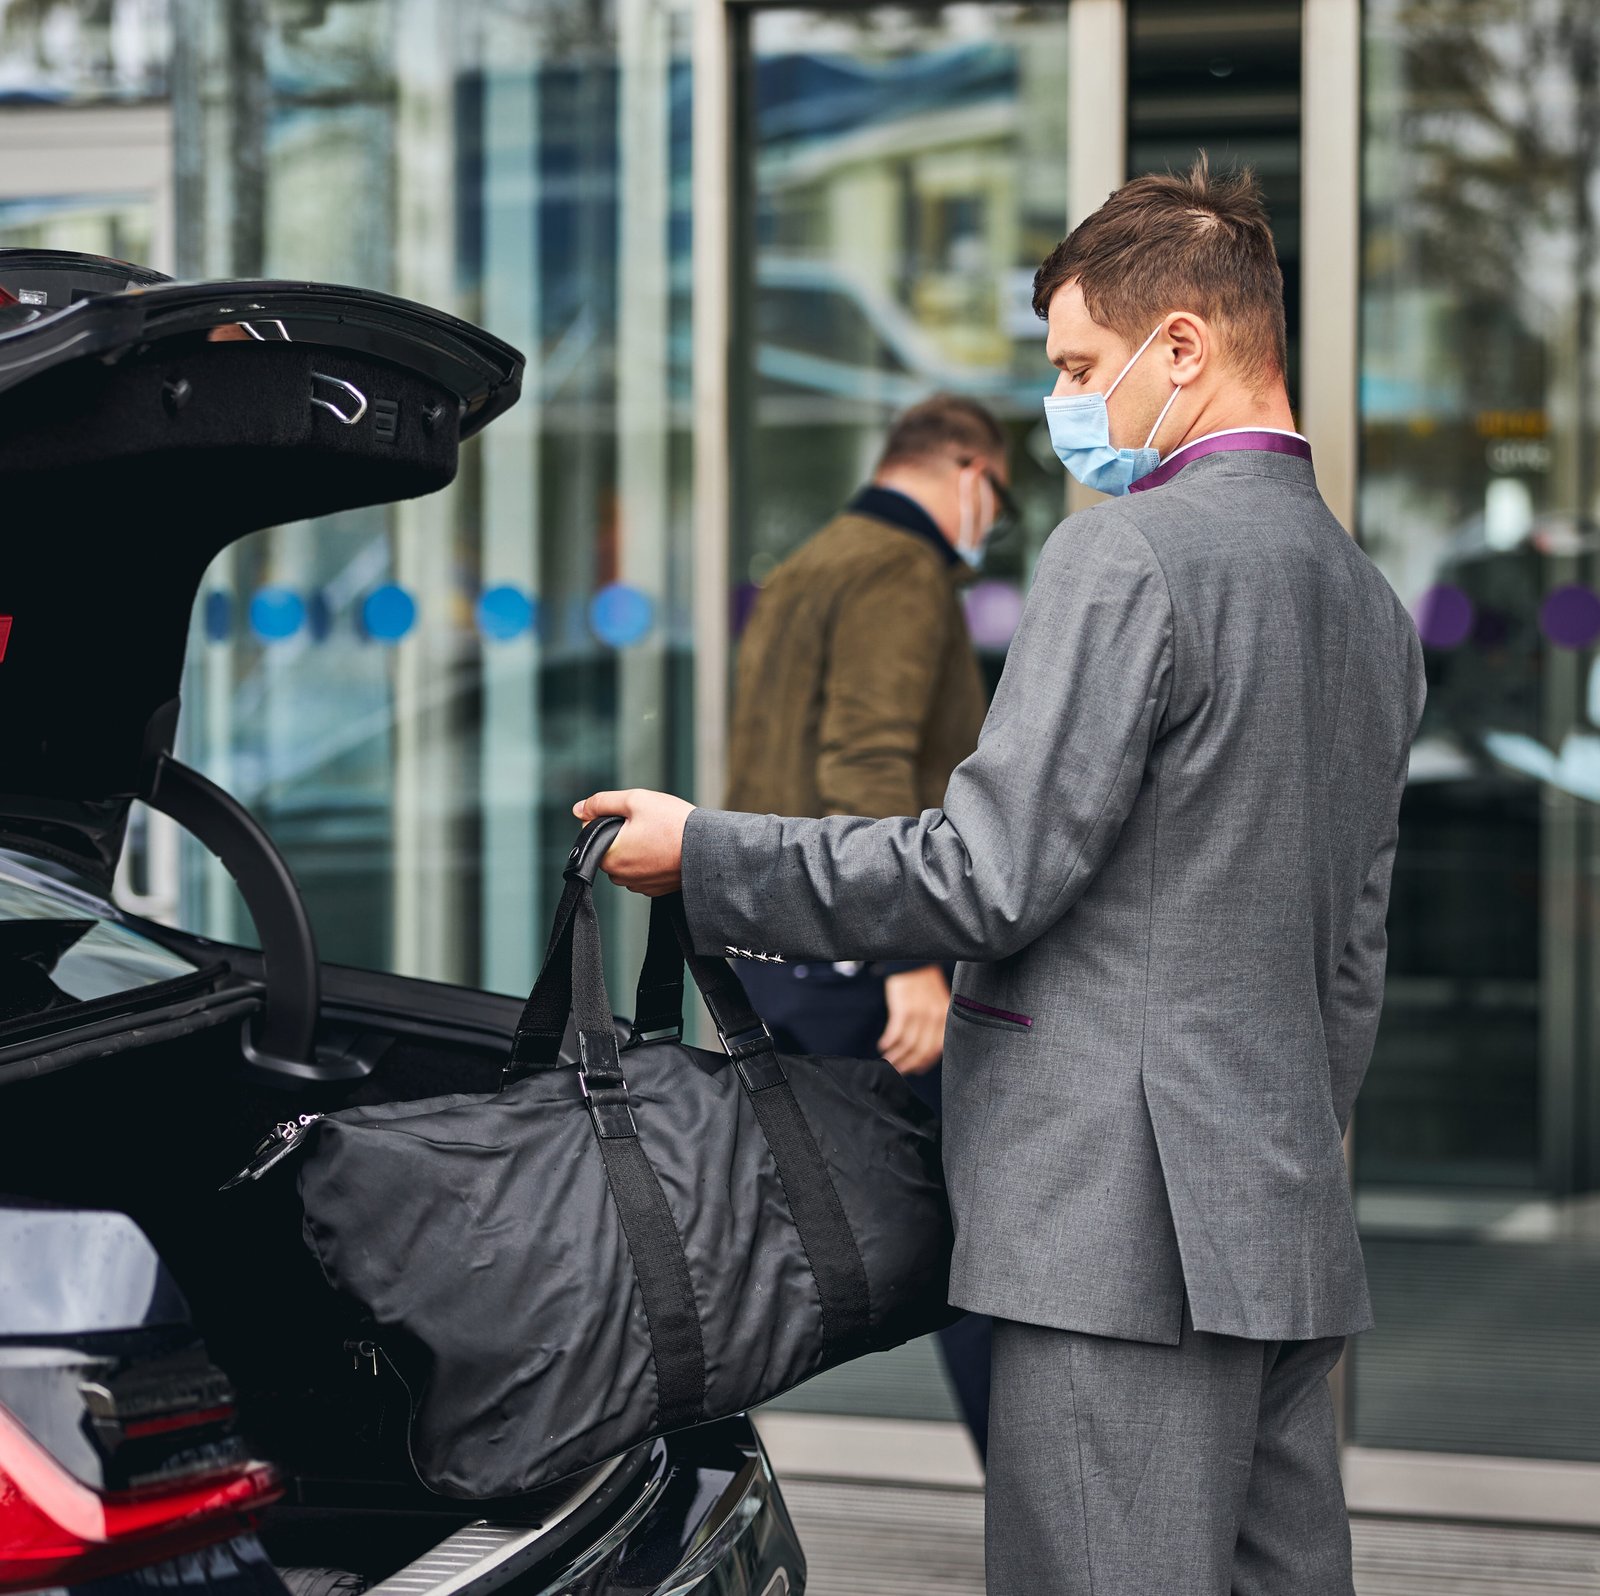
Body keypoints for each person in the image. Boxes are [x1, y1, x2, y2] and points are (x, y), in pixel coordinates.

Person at [573, 157, 1425, 1596]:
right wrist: (1262, 1136)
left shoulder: (1129, 557)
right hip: (1274, 1216)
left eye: (1081, 364)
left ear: (1183, 347)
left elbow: (984, 870)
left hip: (1110, 1234)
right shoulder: (1368, 601)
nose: (1068, 406)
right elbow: (1353, 950)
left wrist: (705, 855)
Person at [725, 393, 1011, 1458]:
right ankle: (1043, 1516)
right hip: (866, 959)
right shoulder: (901, 572)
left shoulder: (807, 565)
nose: (993, 523)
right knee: (986, 1236)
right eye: (1000, 497)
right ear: (966, 469)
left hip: (779, 954)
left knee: (761, 1232)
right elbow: (868, 763)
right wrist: (910, 962)